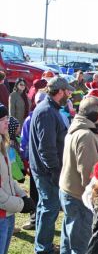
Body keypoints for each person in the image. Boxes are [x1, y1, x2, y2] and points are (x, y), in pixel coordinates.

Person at [59, 96, 98, 254]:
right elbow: (88, 172)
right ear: (95, 115)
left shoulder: (79, 128)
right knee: (81, 242)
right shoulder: (85, 134)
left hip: (69, 191)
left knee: (69, 239)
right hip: (79, 196)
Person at [29, 77, 74, 254]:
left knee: (44, 208)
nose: (70, 95)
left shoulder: (50, 109)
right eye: (68, 91)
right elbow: (46, 147)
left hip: (44, 170)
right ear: (60, 91)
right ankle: (44, 252)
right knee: (50, 209)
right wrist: (55, 171)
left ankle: (42, 245)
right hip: (47, 171)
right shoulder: (47, 112)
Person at [0, 104, 35, 254]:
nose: (7, 122)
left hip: (7, 215)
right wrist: (22, 205)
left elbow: (8, 181)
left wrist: (22, 195)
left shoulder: (2, 145)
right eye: (3, 119)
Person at [20, 91, 46, 230]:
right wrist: (26, 160)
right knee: (36, 192)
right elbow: (24, 142)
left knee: (43, 192)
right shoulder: (30, 120)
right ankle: (35, 219)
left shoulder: (34, 118)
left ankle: (40, 220)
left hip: (42, 162)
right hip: (35, 162)